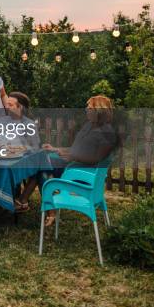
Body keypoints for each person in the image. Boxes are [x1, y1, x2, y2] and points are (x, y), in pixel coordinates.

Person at [41, 94, 117, 225]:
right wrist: (56, 149)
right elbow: (77, 148)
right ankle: (41, 205)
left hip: (80, 172)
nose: (86, 110)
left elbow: (97, 159)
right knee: (43, 161)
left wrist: (73, 156)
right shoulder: (89, 125)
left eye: (89, 108)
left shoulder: (106, 132)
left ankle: (49, 210)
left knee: (42, 168)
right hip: (73, 163)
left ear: (99, 111)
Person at [0, 92, 41, 212]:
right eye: (6, 104)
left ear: (20, 107)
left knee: (39, 168)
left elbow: (35, 148)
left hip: (19, 159)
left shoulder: (28, 124)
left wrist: (22, 148)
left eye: (10, 104)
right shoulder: (2, 121)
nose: (7, 106)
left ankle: (21, 199)